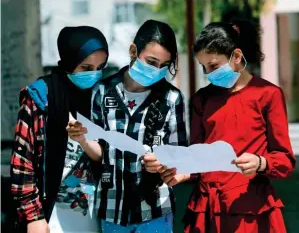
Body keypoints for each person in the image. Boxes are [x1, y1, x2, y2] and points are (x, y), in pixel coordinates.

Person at [151, 19, 296, 233]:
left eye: (214, 66)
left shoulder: (268, 94)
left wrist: (261, 162)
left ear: (236, 57)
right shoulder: (202, 99)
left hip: (249, 210)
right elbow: (197, 156)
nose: (208, 74)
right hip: (206, 208)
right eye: (203, 67)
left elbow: (285, 160)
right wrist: (182, 173)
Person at [67, 19, 188, 232]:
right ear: (133, 51)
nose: (156, 70)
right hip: (113, 213)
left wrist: (164, 164)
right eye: (151, 62)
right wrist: (83, 140)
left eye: (164, 66)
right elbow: (100, 153)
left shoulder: (171, 98)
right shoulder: (102, 91)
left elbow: (181, 156)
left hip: (156, 213)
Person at [10, 26, 109, 233]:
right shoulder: (40, 97)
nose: (94, 75)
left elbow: (108, 153)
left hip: (95, 217)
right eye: (86, 67)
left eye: (100, 67)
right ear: (69, 62)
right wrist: (33, 217)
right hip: (50, 217)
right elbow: (23, 161)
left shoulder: (102, 97)